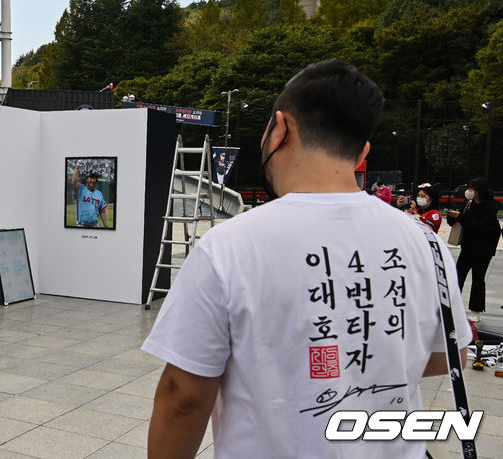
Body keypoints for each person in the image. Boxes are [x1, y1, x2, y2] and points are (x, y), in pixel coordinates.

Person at [141, 60, 470, 459]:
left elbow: (184, 396)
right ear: (362, 152)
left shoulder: (229, 245)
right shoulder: (425, 242)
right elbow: (444, 357)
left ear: (280, 129)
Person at [445, 177, 501, 323]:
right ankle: (452, 306)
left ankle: (475, 310)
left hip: (483, 249)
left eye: (471, 189)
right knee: (458, 275)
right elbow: (460, 222)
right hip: (468, 247)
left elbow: (479, 227)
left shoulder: (490, 207)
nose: (468, 191)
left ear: (479, 191)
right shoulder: (469, 204)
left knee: (478, 278)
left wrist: (461, 217)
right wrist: (452, 217)